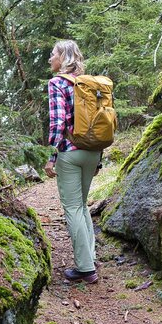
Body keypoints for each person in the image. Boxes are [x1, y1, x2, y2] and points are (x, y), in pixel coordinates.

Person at [44, 40, 101, 284]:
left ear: (64, 57)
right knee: (81, 205)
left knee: (73, 207)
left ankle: (85, 269)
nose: (50, 59)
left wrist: (51, 156)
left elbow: (57, 124)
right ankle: (90, 257)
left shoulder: (57, 83)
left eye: (53, 54)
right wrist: (100, 157)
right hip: (93, 151)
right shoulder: (90, 83)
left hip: (70, 152)